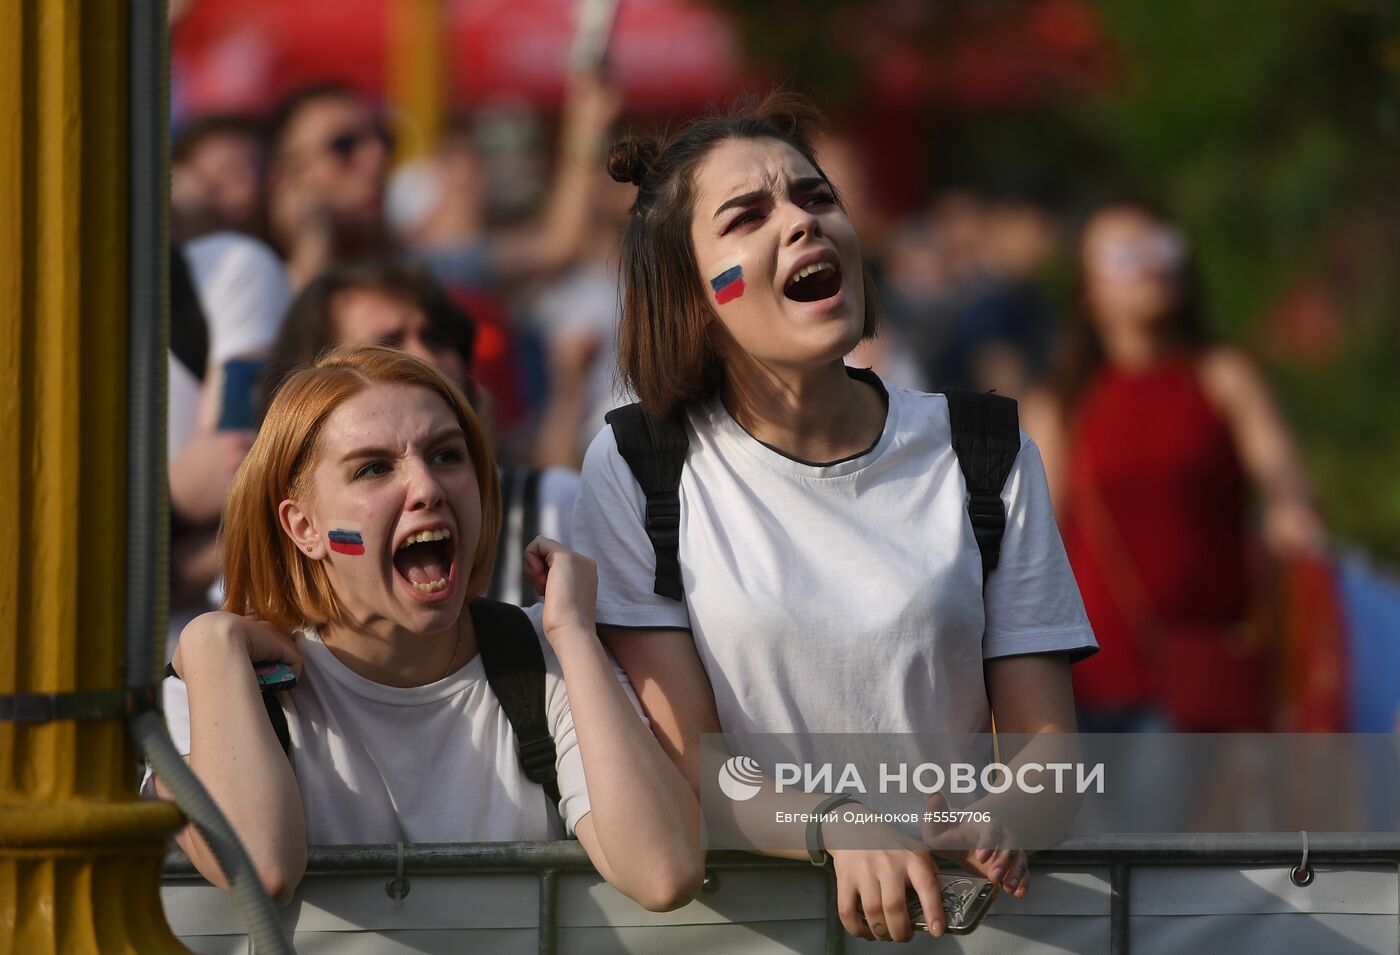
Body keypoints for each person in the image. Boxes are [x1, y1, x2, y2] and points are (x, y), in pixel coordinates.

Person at [570, 93, 1097, 942]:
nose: (803, 224)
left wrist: (996, 820)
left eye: (818, 199)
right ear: (692, 293)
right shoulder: (637, 463)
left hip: (955, 930)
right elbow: (692, 768)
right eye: (748, 216)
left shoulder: (985, 445)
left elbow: (1052, 759)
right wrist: (836, 821)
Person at [148, 346, 703, 910]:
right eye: (373, 468)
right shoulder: (213, 686)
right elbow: (262, 868)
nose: (427, 488)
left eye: (446, 456)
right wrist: (208, 641)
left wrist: (576, 637)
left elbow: (664, 872)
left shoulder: (548, 657)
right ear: (304, 527)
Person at [1022, 203, 1326, 733]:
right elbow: (1031, 536)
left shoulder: (1221, 377)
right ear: (1089, 289)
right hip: (1088, 672)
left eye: (1160, 249)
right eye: (1123, 256)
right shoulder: (1064, 403)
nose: (1148, 267)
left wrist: (1292, 512)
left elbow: (1283, 477)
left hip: (1199, 669)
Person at [261, 257, 582, 605]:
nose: (426, 357)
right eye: (389, 344)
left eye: (435, 338)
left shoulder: (552, 505)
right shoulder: (269, 598)